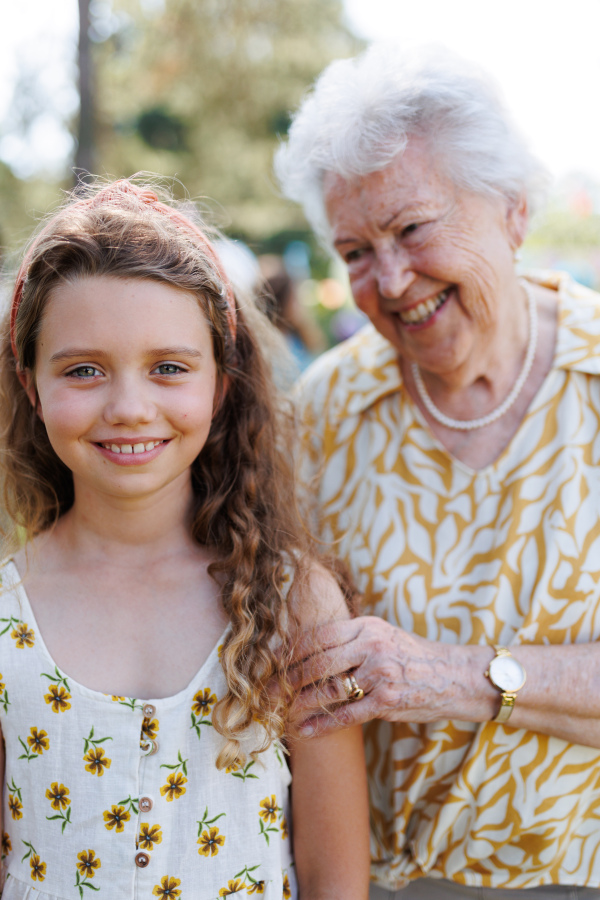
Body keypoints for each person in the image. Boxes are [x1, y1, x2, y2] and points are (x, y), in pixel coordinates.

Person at [275, 43, 600, 898]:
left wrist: (460, 677)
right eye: (354, 251)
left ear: (514, 210)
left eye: (413, 229)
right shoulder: (323, 410)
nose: (389, 280)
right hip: (382, 881)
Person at [0, 179, 370, 899]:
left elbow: (336, 877)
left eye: (169, 367)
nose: (130, 408)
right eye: (83, 370)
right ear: (32, 384)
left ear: (222, 384)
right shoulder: (6, 615)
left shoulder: (294, 602)